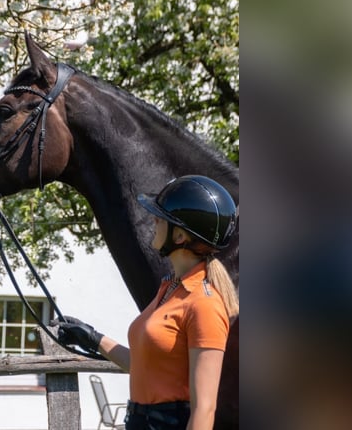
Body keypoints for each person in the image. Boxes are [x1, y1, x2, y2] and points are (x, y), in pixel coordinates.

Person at [53, 175, 239, 430]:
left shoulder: (204, 305)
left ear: (180, 236)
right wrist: (93, 338)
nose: (154, 221)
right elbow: (144, 366)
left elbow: (204, 409)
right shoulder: (169, 288)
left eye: (161, 218)